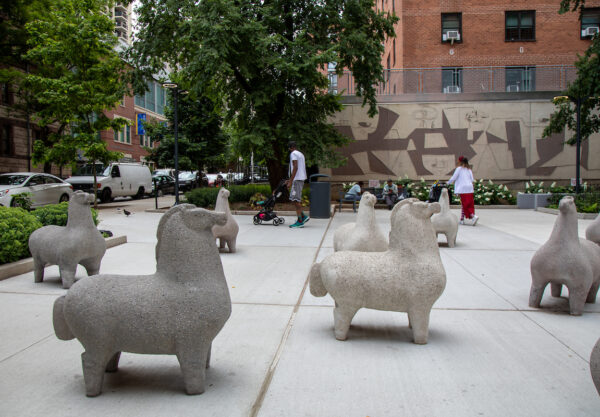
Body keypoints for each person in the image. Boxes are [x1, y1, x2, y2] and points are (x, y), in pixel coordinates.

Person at [448, 156, 478, 225]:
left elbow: (454, 177)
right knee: (469, 203)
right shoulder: (469, 170)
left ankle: (473, 216)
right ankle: (462, 219)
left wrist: (448, 182)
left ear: (460, 162)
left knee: (465, 204)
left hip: (463, 188)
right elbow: (472, 180)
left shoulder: (459, 169)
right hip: (469, 189)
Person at [287, 141, 309, 228]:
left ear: (290, 148)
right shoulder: (300, 154)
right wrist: (290, 180)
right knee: (293, 198)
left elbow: (295, 167)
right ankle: (303, 216)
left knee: (296, 200)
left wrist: (290, 181)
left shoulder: (293, 154)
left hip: (297, 180)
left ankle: (300, 221)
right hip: (299, 179)